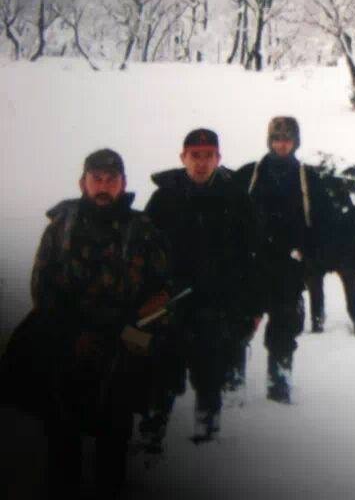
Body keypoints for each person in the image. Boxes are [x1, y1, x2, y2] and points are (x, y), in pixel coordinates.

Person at [28, 149, 172, 496]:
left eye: (111, 179)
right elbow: (42, 287)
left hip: (121, 347)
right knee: (62, 442)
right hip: (69, 346)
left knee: (114, 442)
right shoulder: (61, 226)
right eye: (97, 179)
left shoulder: (144, 230)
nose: (103, 186)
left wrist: (142, 328)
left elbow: (163, 290)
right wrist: (70, 335)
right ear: (83, 182)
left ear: (123, 184)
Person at [143, 129, 258, 442]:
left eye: (209, 156)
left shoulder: (236, 197)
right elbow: (142, 252)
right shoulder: (164, 197)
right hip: (170, 304)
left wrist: (250, 307)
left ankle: (207, 438)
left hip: (216, 306)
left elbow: (251, 256)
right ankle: (151, 440)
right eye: (196, 155)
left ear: (218, 159)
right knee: (160, 377)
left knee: (209, 377)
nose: (202, 163)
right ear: (183, 158)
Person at [235, 117, 322, 403]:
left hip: (289, 267)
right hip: (253, 265)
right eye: (277, 138)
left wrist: (307, 254)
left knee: (285, 328)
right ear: (269, 141)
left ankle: (279, 384)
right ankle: (232, 385)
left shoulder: (307, 177)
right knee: (239, 326)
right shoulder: (251, 174)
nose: (282, 144)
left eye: (288, 139)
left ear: (296, 142)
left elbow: (320, 222)